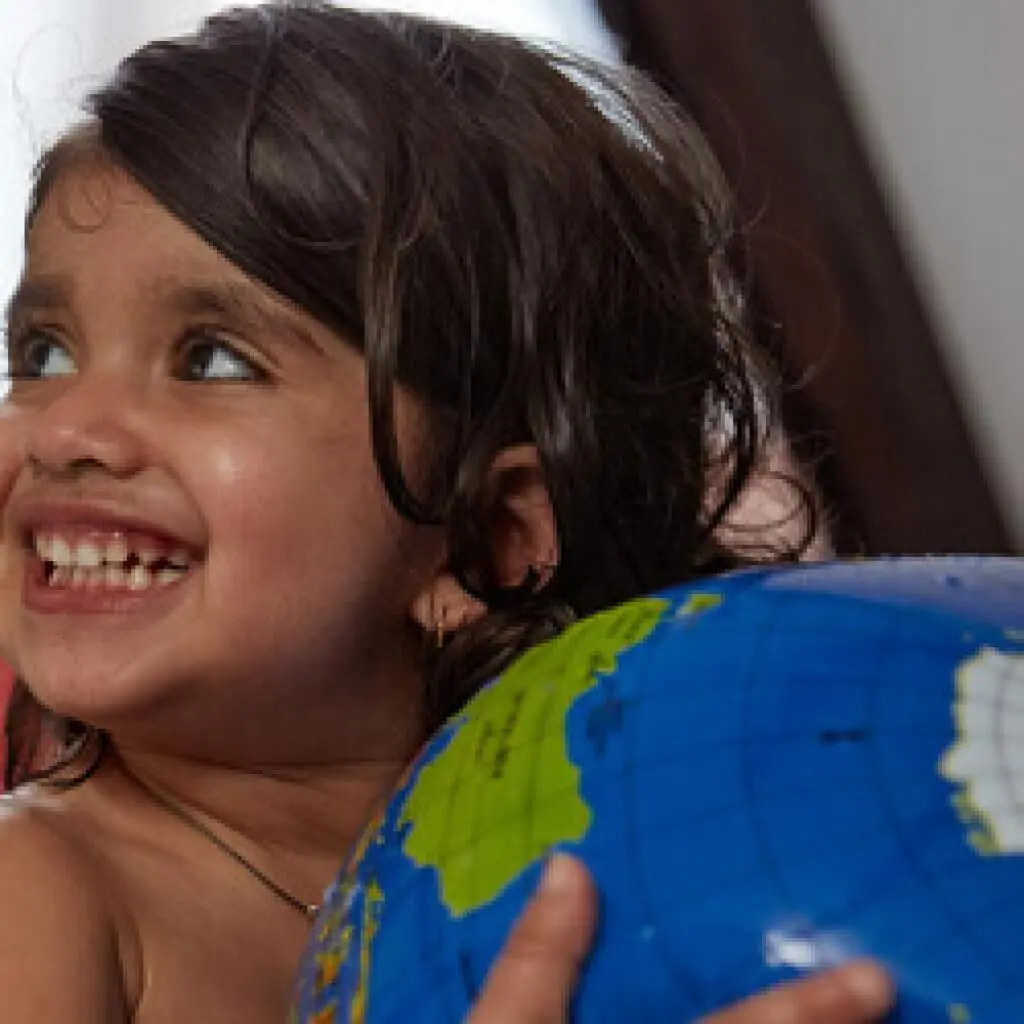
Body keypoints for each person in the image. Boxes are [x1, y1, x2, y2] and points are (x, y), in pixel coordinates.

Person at [0, 3, 892, 1021]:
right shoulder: (40, 894)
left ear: (488, 541)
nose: (64, 427)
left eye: (210, 358)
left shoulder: (622, 850)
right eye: (44, 353)